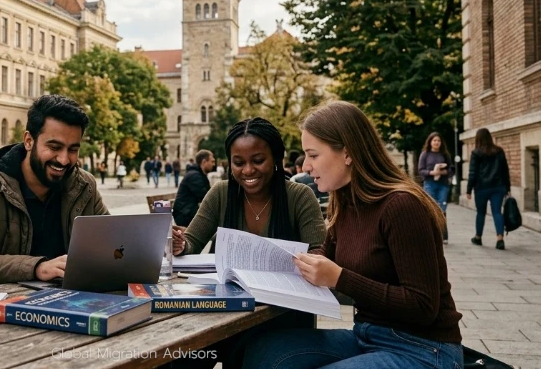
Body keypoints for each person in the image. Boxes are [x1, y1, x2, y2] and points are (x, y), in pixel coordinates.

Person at [242, 101, 463, 369]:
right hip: (366, 335)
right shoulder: (345, 200)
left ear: (347, 153)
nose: (306, 168)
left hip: (424, 348)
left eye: (313, 155)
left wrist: (339, 278)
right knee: (261, 353)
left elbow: (423, 306)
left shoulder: (402, 206)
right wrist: (279, 260)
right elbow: (326, 254)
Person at [0, 94, 109, 286]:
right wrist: (37, 268)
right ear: (29, 141)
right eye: (54, 147)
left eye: (72, 149)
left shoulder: (84, 185)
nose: (63, 159)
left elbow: (110, 243)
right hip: (7, 306)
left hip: (75, 300)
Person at [173, 119, 325, 255]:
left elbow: (319, 252)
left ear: (276, 159)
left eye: (258, 160)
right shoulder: (220, 193)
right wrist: (180, 244)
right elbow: (192, 242)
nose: (248, 170)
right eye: (238, 163)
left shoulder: (300, 196)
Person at [466, 128, 511, 250]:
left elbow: (472, 173)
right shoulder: (499, 151)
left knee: (480, 212)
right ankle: (500, 239)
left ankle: (478, 237)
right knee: (497, 212)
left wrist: (469, 189)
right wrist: (507, 187)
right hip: (498, 187)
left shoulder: (476, 153)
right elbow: (505, 170)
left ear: (478, 139)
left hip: (481, 188)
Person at [419, 132, 454, 244]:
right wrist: (432, 172)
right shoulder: (425, 154)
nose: (436, 142)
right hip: (429, 183)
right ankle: (430, 235)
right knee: (430, 208)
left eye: (438, 140)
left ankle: (443, 235)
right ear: (430, 142)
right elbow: (420, 171)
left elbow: (452, 169)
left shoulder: (445, 154)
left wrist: (443, 171)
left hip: (442, 184)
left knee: (442, 209)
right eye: (434, 140)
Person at [172, 150, 216, 227]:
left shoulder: (199, 174)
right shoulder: (194, 176)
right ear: (204, 162)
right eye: (212, 161)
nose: (213, 164)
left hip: (188, 212)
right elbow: (207, 197)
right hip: (185, 215)